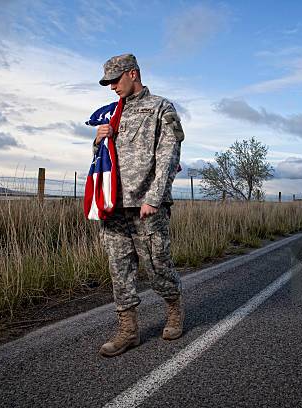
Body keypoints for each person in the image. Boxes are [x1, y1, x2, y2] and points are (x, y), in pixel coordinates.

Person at [93, 53, 185, 357]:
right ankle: (128, 331)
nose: (111, 87)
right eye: (107, 82)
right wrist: (97, 140)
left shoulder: (161, 108)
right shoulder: (110, 113)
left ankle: (173, 310)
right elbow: (102, 161)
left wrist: (154, 198)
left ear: (133, 74)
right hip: (114, 206)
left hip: (146, 205)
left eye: (115, 80)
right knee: (119, 270)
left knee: (157, 267)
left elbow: (169, 157)